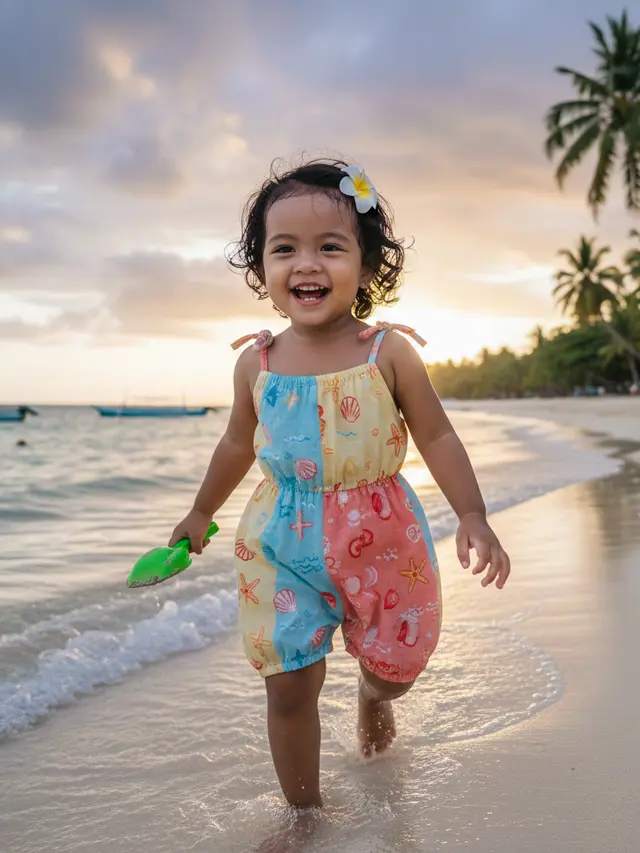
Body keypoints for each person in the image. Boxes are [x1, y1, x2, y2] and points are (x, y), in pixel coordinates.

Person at [169, 159, 511, 811]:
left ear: (366, 262)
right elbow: (238, 443)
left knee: (393, 673)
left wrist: (472, 513)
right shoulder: (256, 363)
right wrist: (199, 510)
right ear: (259, 269)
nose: (307, 264)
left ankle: (372, 694)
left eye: (330, 247)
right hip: (281, 541)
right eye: (284, 248)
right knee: (289, 682)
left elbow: (436, 436)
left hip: (384, 539)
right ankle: (305, 814)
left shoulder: (389, 353)